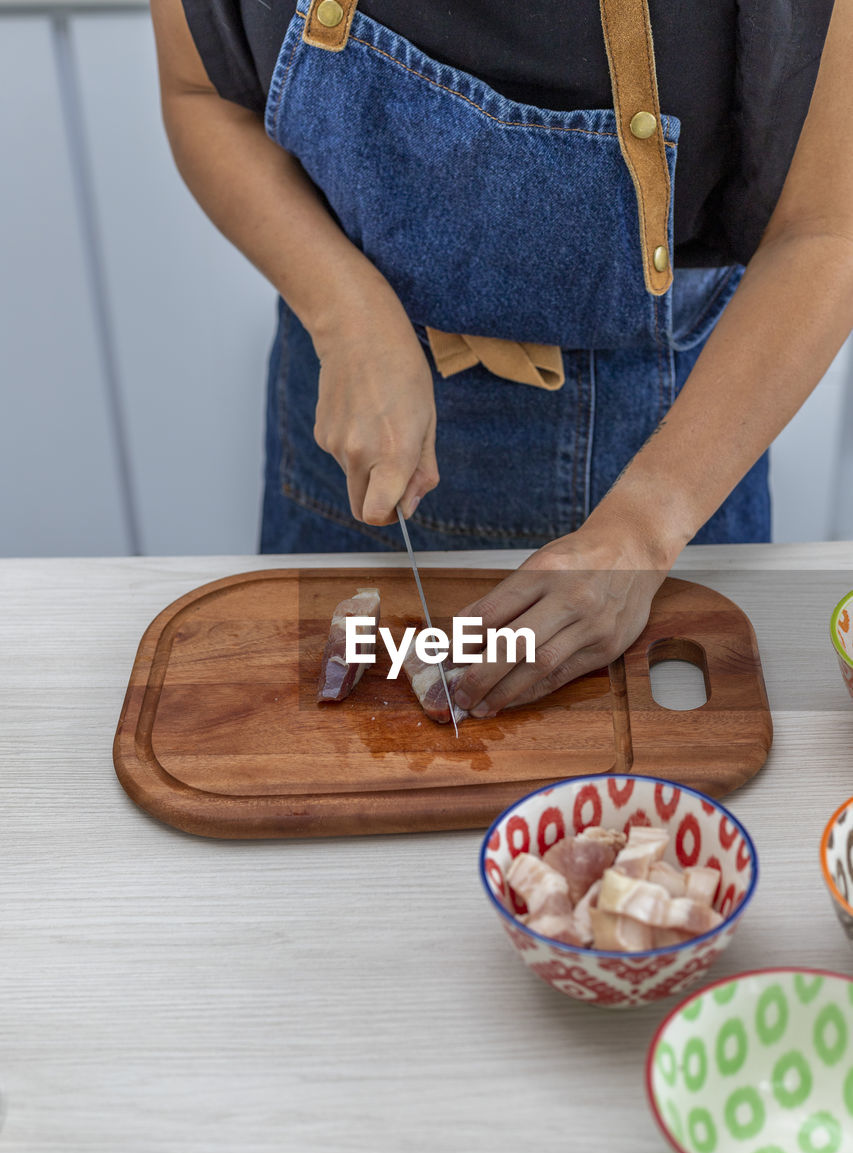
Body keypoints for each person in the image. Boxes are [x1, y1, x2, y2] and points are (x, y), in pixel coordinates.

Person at [152, 0, 851, 718]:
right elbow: (199, 93)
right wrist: (345, 315)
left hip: (673, 442)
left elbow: (827, 228)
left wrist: (645, 524)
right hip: (346, 409)